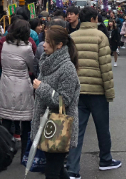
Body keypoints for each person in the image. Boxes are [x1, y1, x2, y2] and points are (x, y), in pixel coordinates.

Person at [66, 7, 120, 178]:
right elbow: (106, 68)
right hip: (97, 91)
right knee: (102, 127)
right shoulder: (100, 37)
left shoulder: (72, 38)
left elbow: (67, 66)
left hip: (77, 91)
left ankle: (73, 169)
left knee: (77, 130)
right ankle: (105, 159)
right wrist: (109, 92)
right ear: (95, 19)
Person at [31, 26, 80, 179]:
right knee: (57, 170)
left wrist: (41, 88)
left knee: (52, 172)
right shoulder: (47, 62)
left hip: (59, 128)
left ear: (59, 45)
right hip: (47, 125)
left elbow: (63, 101)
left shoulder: (67, 68)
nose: (43, 45)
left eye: (47, 41)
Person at [0, 19, 35, 157]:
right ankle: (25, 153)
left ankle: (4, 153)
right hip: (22, 86)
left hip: (5, 84)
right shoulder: (27, 48)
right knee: (26, 121)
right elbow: (32, 66)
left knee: (6, 119)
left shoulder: (4, 44)